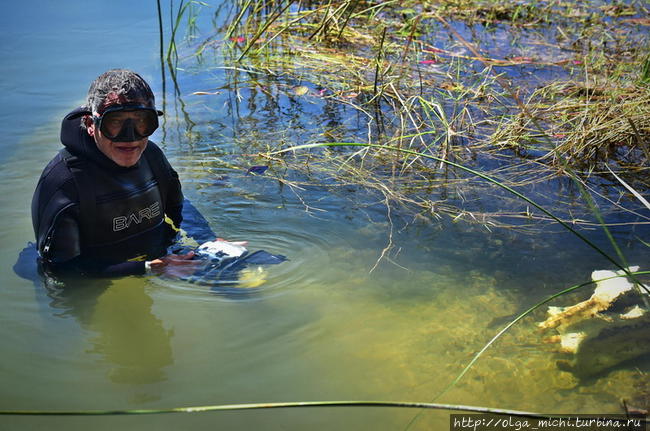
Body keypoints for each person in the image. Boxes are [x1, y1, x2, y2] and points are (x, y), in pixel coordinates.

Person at [31, 69, 202, 278]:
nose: (130, 137)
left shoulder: (152, 157)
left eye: (141, 122)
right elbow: (60, 269)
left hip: (161, 259)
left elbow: (180, 207)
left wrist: (207, 239)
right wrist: (148, 268)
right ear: (90, 124)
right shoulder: (65, 183)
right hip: (99, 279)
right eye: (115, 122)